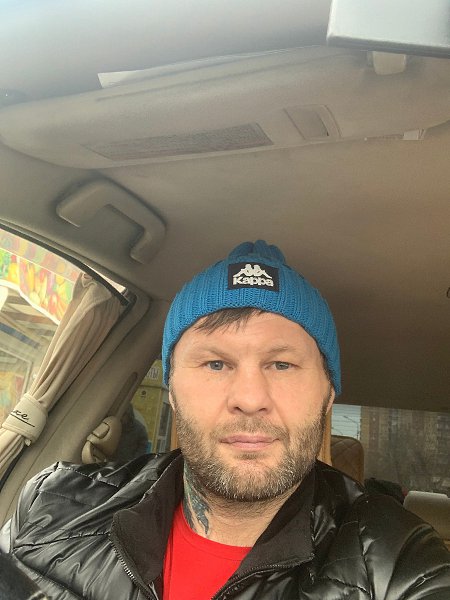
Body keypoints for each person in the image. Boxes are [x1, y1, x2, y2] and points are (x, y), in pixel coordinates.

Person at [4, 241, 450, 599]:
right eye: (215, 364)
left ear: (328, 393)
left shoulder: (402, 566)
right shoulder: (52, 506)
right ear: (172, 390)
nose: (250, 399)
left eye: (282, 364)